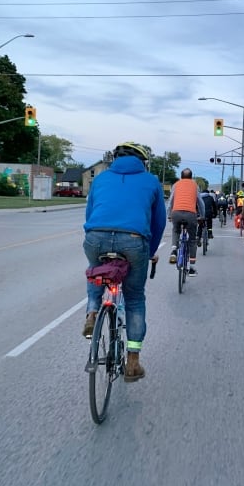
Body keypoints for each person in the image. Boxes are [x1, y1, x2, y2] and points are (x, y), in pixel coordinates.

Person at [83, 141, 166, 382]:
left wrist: (95, 238)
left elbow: (90, 214)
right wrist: (148, 252)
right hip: (133, 240)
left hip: (95, 235)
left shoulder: (99, 179)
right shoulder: (151, 181)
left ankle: (92, 312)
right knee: (134, 298)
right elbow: (158, 222)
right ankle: (132, 362)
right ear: (142, 162)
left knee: (95, 271)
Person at [167, 168, 205, 276]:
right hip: (190, 214)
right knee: (192, 240)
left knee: (176, 230)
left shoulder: (176, 185)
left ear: (181, 176)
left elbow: (171, 201)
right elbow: (200, 203)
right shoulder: (195, 185)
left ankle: (174, 250)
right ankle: (192, 267)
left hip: (176, 213)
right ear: (191, 177)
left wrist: (169, 215)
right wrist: (202, 216)